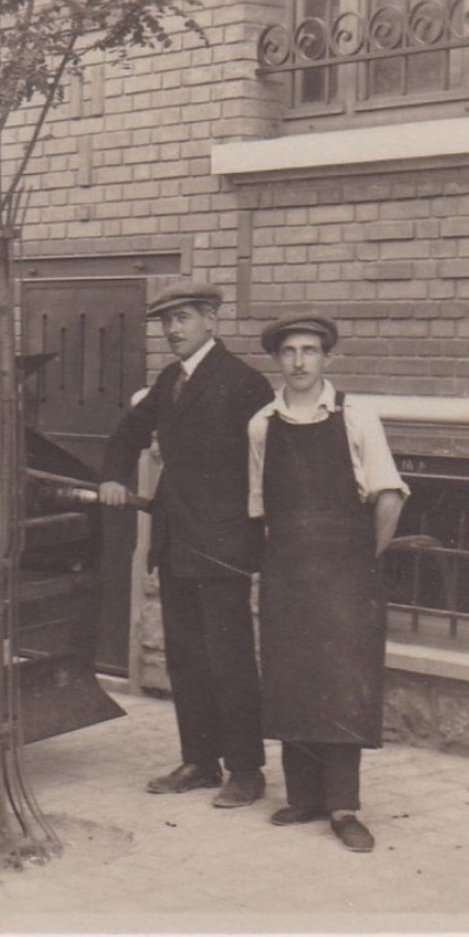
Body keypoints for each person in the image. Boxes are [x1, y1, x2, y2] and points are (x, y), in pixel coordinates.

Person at [99, 281, 275, 808]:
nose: (173, 330)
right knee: (186, 657)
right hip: (175, 539)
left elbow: (267, 467)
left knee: (230, 658)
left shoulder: (244, 383)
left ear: (211, 323)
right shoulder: (171, 379)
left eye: (184, 319)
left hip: (222, 543)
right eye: (166, 322)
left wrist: (254, 538)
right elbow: (130, 431)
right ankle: (200, 760)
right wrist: (113, 476)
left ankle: (246, 770)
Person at [248, 313, 407, 854]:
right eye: (289, 351)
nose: (299, 362)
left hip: (345, 572)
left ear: (327, 359)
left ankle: (343, 806)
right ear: (277, 360)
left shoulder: (358, 417)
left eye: (310, 351)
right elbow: (259, 508)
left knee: (341, 682)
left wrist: (364, 560)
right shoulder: (262, 424)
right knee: (291, 675)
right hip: (286, 568)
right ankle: (303, 797)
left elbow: (388, 496)